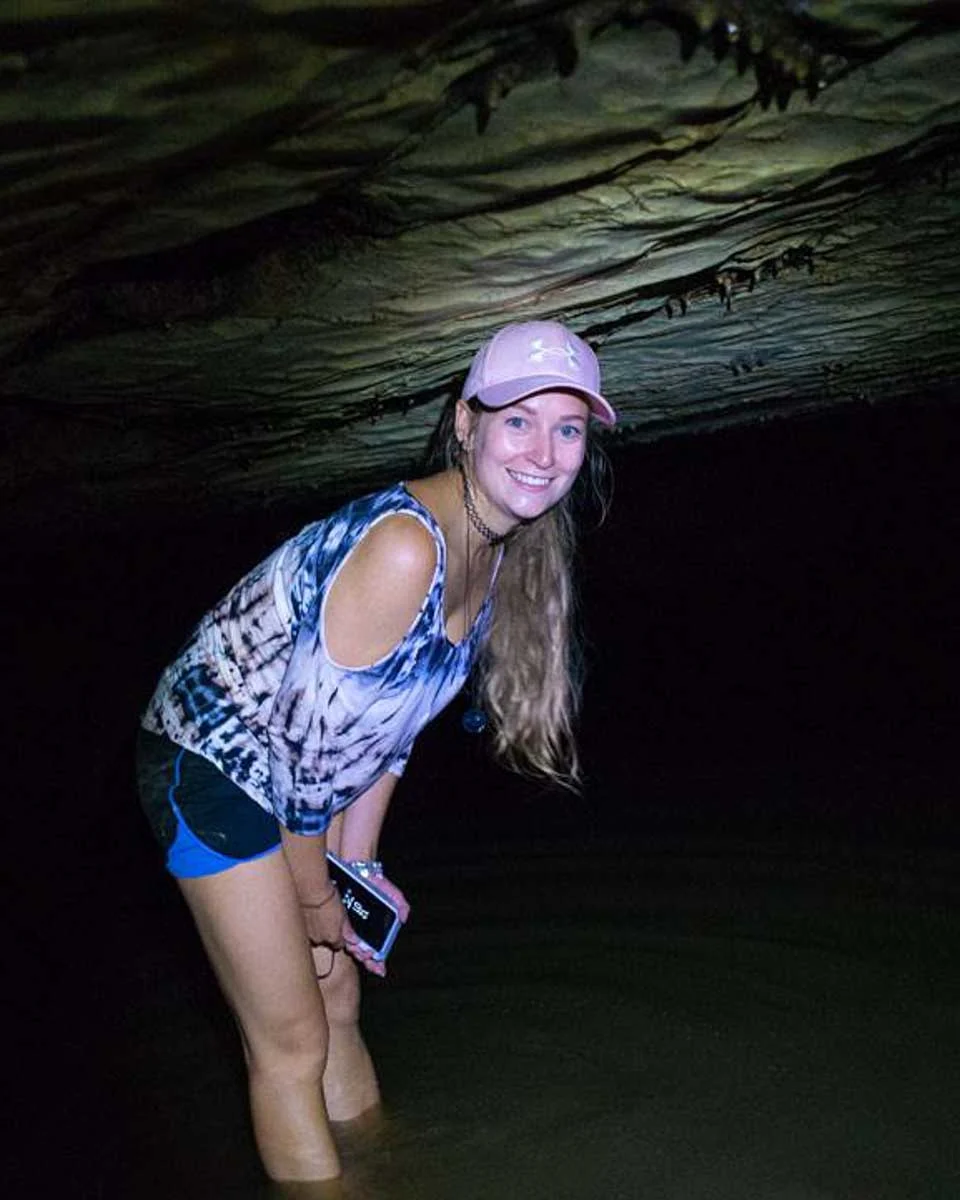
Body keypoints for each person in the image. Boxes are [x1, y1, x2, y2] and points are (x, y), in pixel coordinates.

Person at [135, 319, 617, 1184]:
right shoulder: (405, 549)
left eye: (570, 428)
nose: (545, 452)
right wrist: (319, 894)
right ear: (465, 423)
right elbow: (302, 760)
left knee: (339, 996)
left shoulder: (499, 556)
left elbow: (389, 732)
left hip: (299, 771)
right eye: (519, 421)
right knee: (290, 1038)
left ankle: (387, 1168)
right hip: (211, 757)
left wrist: (359, 867)